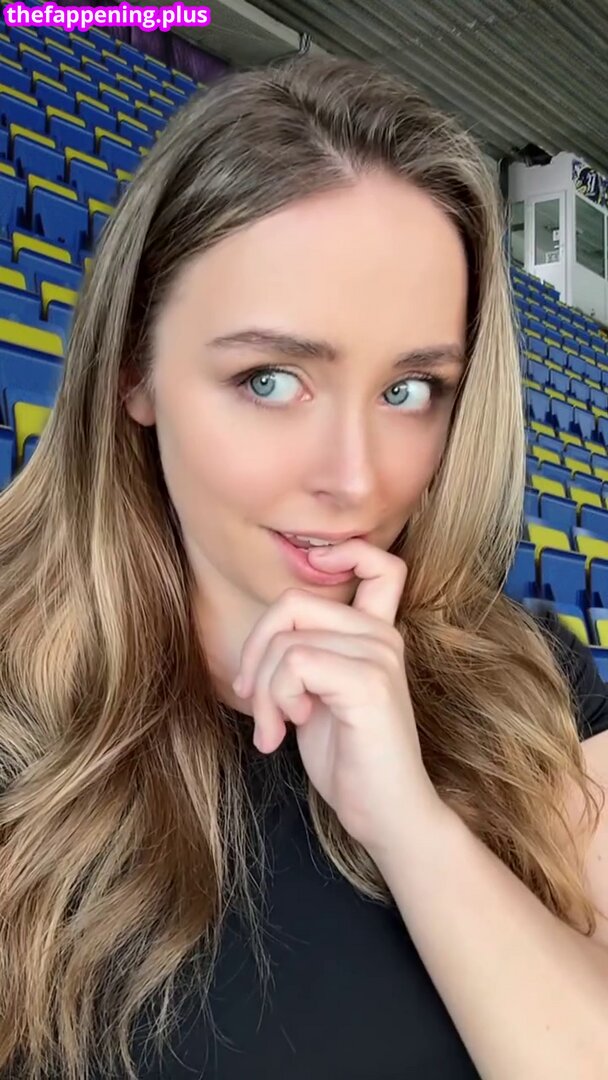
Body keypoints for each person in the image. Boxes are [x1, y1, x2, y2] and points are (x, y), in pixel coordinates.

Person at [0, 54, 607, 1080]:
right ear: (134, 369)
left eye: (410, 390)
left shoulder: (532, 677)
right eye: (271, 379)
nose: (356, 478)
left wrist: (407, 823)